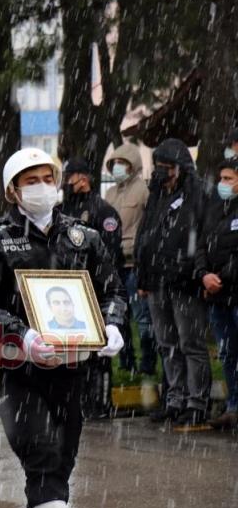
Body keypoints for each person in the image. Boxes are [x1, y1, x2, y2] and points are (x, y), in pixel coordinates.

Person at [0, 148, 126, 508]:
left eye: (48, 179)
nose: (42, 187)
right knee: (42, 454)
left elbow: (113, 289)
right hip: (20, 372)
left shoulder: (82, 237)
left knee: (61, 461)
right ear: (13, 191)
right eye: (31, 181)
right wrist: (23, 336)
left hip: (72, 371)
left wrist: (112, 323)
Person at [134, 138, 211, 428]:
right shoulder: (157, 194)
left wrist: (190, 270)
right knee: (167, 344)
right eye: (158, 167)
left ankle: (197, 402)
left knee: (190, 343)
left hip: (184, 281)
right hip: (157, 282)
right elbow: (146, 236)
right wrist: (143, 276)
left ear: (179, 168)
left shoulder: (197, 193)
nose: (160, 172)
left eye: (166, 168)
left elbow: (198, 236)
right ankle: (175, 399)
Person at [60, 155, 124, 419]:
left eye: (69, 178)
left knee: (99, 352)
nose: (66, 183)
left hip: (95, 289)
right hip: (69, 292)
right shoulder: (64, 210)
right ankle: (79, 399)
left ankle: (100, 401)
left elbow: (107, 253)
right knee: (74, 349)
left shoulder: (103, 210)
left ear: (82, 179)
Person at [105, 143, 157, 375]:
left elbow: (151, 224)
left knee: (143, 318)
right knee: (119, 318)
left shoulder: (143, 191)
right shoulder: (109, 193)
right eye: (115, 163)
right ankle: (127, 363)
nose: (118, 167)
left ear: (132, 166)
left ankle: (147, 364)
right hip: (115, 265)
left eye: (122, 163)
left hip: (135, 264)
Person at [195, 157, 238, 430]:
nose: (222, 184)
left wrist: (221, 275)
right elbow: (201, 246)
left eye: (228, 179)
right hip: (217, 296)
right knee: (228, 353)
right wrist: (203, 274)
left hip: (232, 290)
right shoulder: (215, 209)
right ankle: (234, 406)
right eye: (221, 179)